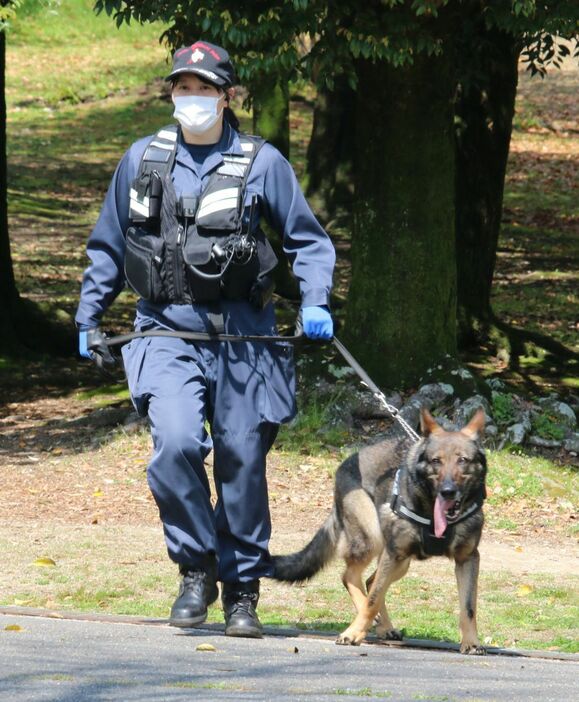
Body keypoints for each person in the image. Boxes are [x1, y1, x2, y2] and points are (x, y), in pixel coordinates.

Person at [76, 40, 335, 639]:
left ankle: (242, 589)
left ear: (226, 97)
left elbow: (307, 240)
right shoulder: (143, 159)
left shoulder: (262, 162)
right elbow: (109, 246)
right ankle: (197, 568)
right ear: (172, 94)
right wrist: (89, 316)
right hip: (165, 332)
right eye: (181, 88)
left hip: (246, 339)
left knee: (243, 459)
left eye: (203, 89)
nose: (190, 99)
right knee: (174, 445)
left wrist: (316, 299)